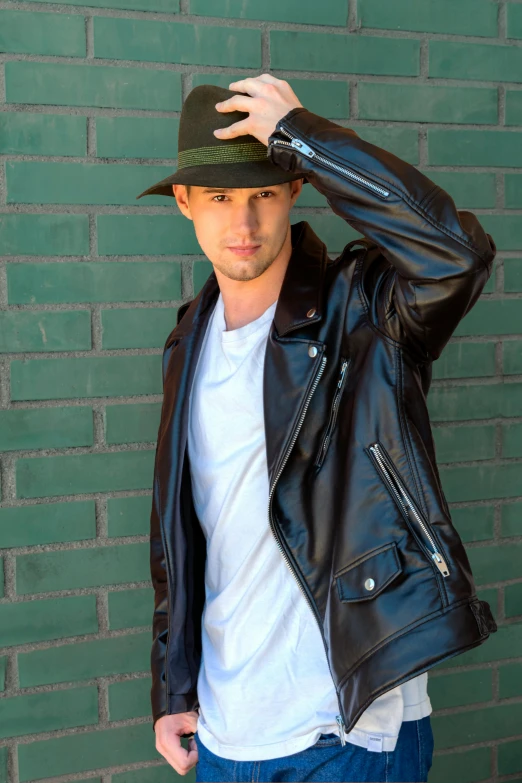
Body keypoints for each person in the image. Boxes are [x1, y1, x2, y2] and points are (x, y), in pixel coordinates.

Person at [136, 75, 498, 782]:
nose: (243, 225)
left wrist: (302, 134)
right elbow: (181, 533)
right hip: (223, 731)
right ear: (185, 203)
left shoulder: (364, 314)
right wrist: (172, 686)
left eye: (264, 193)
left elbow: (458, 254)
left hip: (349, 729)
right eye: (220, 199)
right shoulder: (188, 339)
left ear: (295, 189)